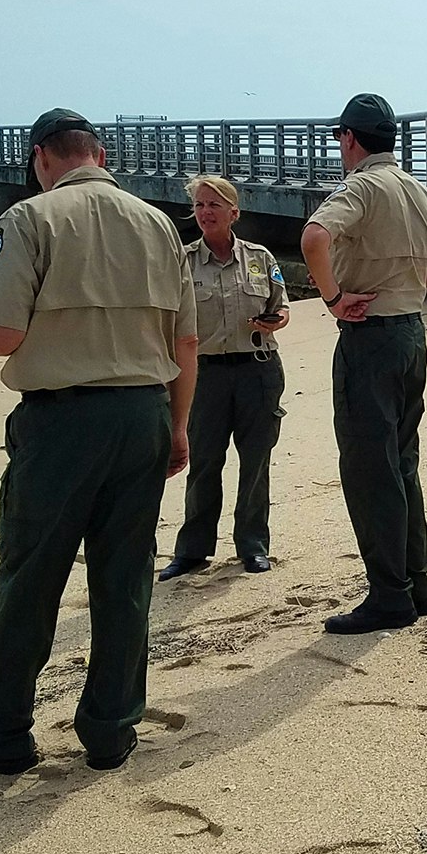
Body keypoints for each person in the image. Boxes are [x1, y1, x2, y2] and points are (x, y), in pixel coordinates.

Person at [0, 108, 198, 775]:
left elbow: (4, 334)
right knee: (124, 580)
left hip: (62, 422)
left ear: (41, 158)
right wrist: (178, 426)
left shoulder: (30, 220)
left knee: (32, 576)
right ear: (100, 153)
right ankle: (111, 729)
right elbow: (185, 340)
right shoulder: (157, 224)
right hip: (145, 412)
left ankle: (2, 733)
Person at [300, 93, 427, 635]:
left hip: (370, 338)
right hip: (412, 333)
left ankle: (390, 595)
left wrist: (334, 297)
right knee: (402, 462)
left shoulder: (360, 186)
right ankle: (416, 583)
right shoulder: (417, 189)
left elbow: (314, 236)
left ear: (350, 138)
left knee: (368, 469)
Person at [159, 175, 290, 580]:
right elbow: (168, 321)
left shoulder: (260, 258)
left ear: (234, 212)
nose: (205, 213)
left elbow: (281, 308)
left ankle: (253, 546)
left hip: (258, 370)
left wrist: (274, 321)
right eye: (199, 205)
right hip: (204, 375)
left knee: (255, 462)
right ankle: (193, 550)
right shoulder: (181, 261)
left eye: (213, 205)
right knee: (203, 462)